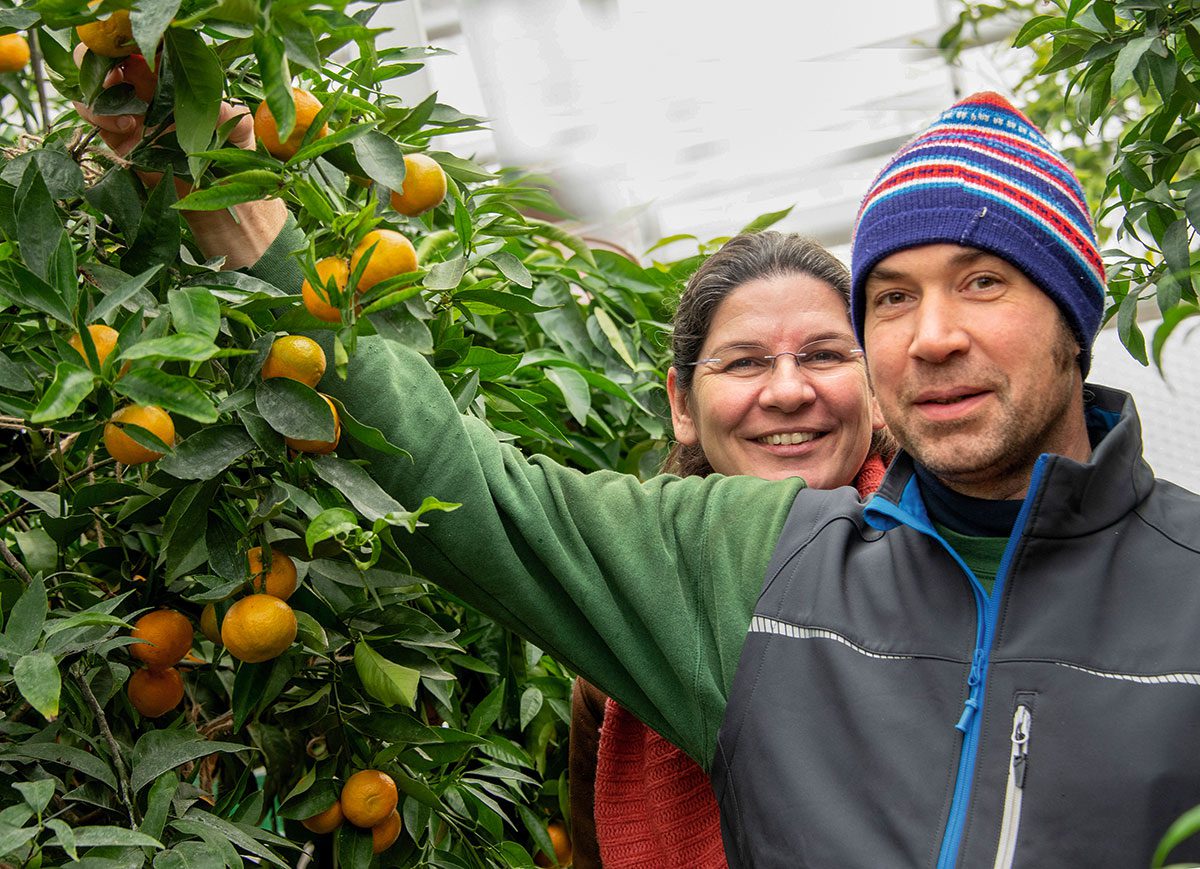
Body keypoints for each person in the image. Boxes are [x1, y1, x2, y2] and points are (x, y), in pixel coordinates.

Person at [103, 90, 1200, 866]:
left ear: (1075, 313)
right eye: (895, 299)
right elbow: (478, 495)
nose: (935, 335)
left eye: (985, 280)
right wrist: (265, 244)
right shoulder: (762, 564)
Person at [568, 232, 891, 868]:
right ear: (682, 405)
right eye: (744, 363)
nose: (788, 391)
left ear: (876, 387)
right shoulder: (626, 626)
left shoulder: (956, 575)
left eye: (824, 354)